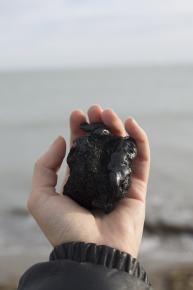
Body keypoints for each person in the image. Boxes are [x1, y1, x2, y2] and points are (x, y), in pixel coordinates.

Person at [17, 105, 153, 290]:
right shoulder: (111, 145)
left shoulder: (117, 146)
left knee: (116, 173)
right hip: (96, 195)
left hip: (97, 194)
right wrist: (118, 259)